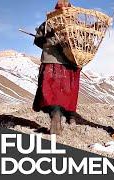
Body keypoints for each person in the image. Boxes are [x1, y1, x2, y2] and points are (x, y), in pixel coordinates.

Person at [32, 0, 80, 135]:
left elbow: (38, 40)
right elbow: (81, 43)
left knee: (50, 91)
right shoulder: (74, 25)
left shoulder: (48, 23)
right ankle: (69, 116)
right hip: (70, 64)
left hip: (50, 61)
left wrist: (48, 45)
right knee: (66, 92)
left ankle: (55, 114)